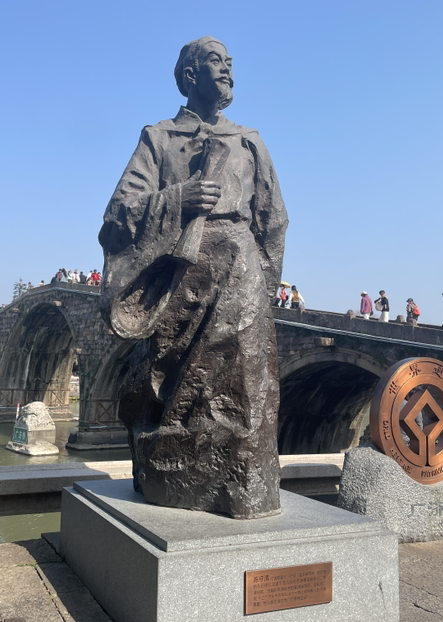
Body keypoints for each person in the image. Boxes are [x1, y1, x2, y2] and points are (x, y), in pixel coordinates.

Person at [97, 37, 288, 518]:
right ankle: (172, 470)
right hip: (181, 278)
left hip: (241, 276)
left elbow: (273, 220)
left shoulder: (249, 141)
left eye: (230, 63)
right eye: (215, 62)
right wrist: (178, 199)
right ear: (189, 76)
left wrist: (262, 285)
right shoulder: (159, 139)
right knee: (172, 385)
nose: (227, 70)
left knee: (246, 388)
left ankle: (241, 485)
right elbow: (119, 215)